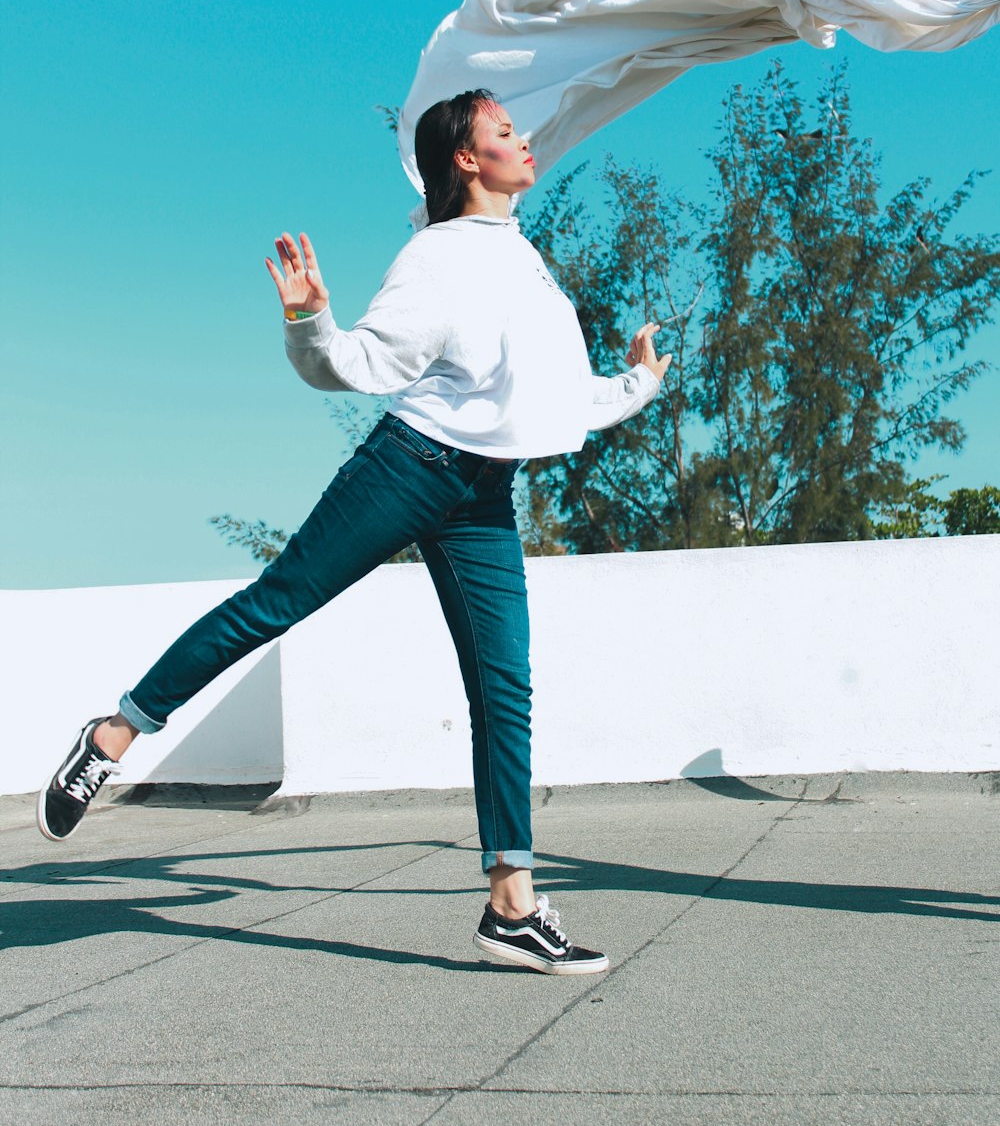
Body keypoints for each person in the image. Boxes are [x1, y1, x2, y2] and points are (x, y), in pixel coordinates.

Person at [37, 89, 672, 975]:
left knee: (505, 687)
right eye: (503, 132)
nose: (525, 142)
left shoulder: (523, 258)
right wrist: (309, 321)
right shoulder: (438, 257)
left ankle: (510, 905)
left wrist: (636, 384)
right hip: (409, 469)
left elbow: (551, 396)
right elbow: (358, 364)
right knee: (276, 602)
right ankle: (115, 732)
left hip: (484, 494)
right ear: (464, 158)